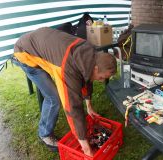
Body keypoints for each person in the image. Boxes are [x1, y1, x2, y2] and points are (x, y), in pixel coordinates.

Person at [12, 26, 117, 157]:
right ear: (96, 68)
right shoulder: (68, 69)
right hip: (25, 52)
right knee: (54, 97)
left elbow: (86, 78)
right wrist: (86, 148)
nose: (101, 81)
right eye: (102, 77)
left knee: (64, 84)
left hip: (44, 47)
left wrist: (89, 106)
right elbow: (72, 107)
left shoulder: (90, 54)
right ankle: (44, 134)